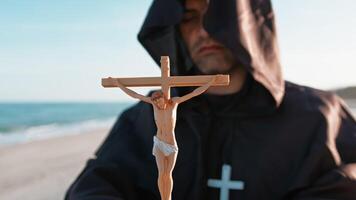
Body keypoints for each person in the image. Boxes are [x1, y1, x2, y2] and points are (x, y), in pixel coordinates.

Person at [66, 0, 356, 199]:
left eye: (217, 13)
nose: (205, 30)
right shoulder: (143, 119)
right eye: (189, 17)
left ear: (248, 23)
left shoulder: (320, 118)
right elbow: (95, 185)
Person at [108, 74, 216, 200]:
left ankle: (168, 197)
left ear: (164, 98)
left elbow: (194, 93)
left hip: (171, 144)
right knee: (161, 174)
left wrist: (210, 82)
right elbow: (135, 95)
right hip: (159, 143)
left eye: (159, 101)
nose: (158, 104)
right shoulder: (154, 105)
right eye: (155, 102)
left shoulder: (174, 103)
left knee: (168, 174)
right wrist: (118, 84)